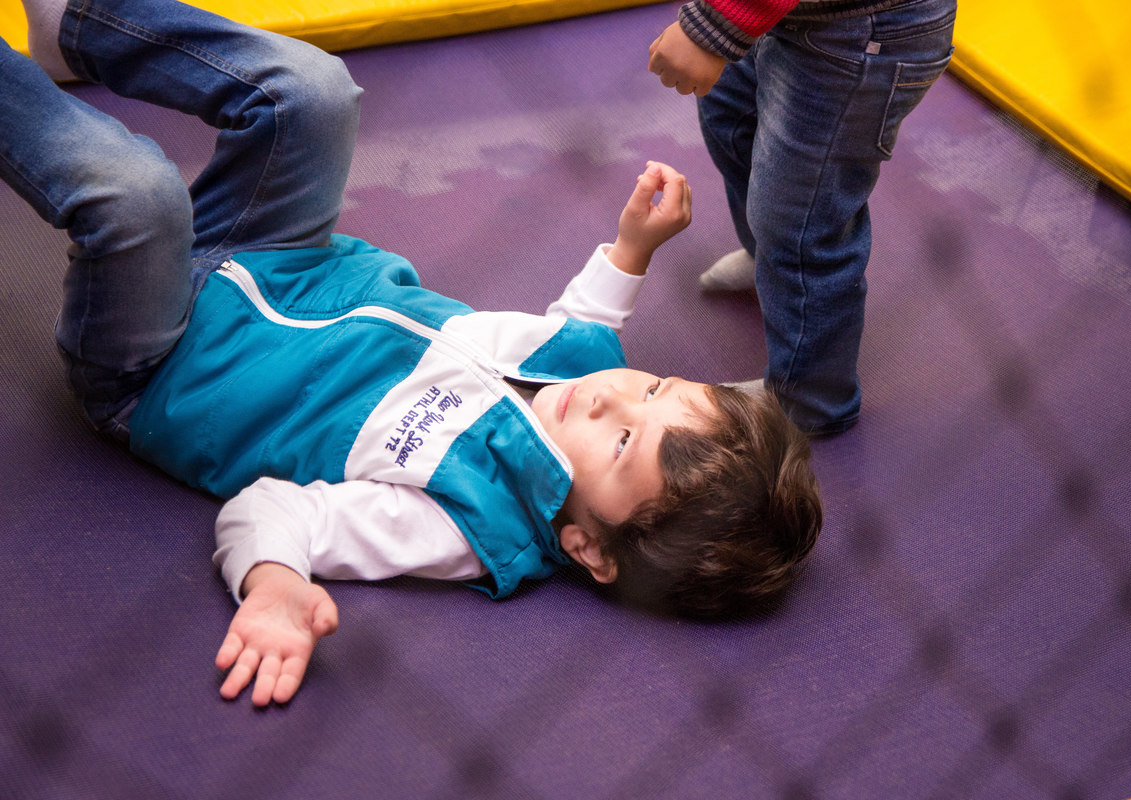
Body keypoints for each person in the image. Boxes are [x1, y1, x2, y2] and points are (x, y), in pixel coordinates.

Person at [4, 0, 822, 707]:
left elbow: (274, 510)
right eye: (657, 387)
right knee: (316, 93)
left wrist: (279, 583)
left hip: (164, 356)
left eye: (622, 443)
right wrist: (631, 247)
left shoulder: (464, 522)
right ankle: (80, 21)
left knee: (135, 193)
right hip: (279, 253)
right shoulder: (585, 378)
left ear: (590, 549)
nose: (612, 397)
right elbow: (582, 323)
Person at [648, 0, 957, 435]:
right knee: (729, 114)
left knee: (801, 215)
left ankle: (811, 398)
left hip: (859, 30)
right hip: (790, 15)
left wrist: (714, 25)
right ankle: (770, 261)